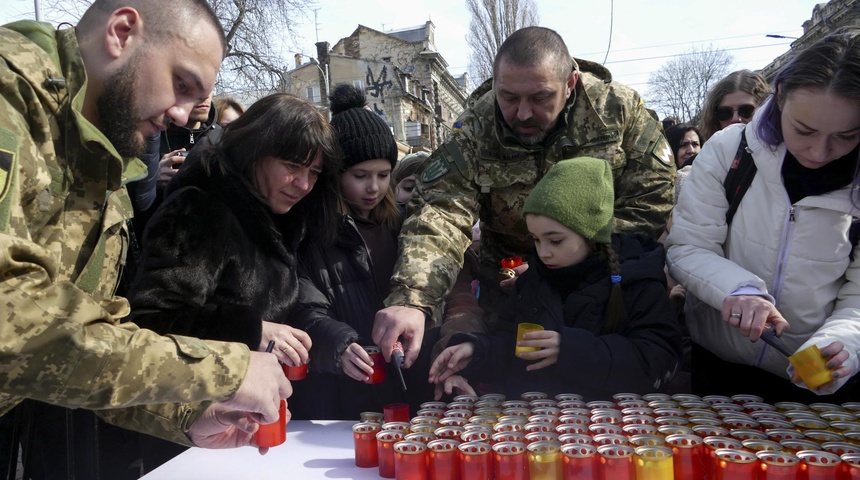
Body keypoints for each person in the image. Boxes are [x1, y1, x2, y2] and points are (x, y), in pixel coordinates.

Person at [0, 0, 290, 466]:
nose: (182, 115)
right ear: (121, 31)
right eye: (181, 84)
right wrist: (222, 369)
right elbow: (8, 313)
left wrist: (188, 414)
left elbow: (90, 345)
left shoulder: (105, 172)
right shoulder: (10, 95)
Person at [373, 26, 675, 368]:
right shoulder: (476, 126)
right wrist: (412, 299)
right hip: (511, 302)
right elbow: (439, 213)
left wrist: (577, 255)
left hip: (607, 299)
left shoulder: (617, 110)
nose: (523, 113)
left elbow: (653, 195)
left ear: (570, 83)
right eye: (509, 97)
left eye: (540, 97)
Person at [126, 92, 340, 471]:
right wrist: (250, 330)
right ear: (256, 152)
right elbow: (152, 321)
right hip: (193, 432)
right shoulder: (200, 208)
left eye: (314, 173)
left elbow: (280, 300)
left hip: (252, 425)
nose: (304, 183)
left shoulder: (276, 214)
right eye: (293, 166)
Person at [666, 30, 860, 403]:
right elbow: (687, 247)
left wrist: (842, 345)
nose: (819, 153)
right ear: (781, 96)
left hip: (812, 380)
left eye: (846, 136)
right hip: (720, 364)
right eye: (804, 130)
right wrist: (738, 290)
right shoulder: (731, 151)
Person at [429, 157, 681, 400]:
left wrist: (571, 350)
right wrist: (477, 351)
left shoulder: (637, 280)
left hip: (611, 427)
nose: (543, 252)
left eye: (555, 240)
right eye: (536, 239)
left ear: (591, 232)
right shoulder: (533, 281)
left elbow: (657, 362)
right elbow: (514, 347)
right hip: (538, 424)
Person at [289, 84, 436, 419]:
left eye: (384, 175)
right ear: (334, 175)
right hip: (339, 391)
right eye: (360, 175)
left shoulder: (401, 225)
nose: (374, 187)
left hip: (403, 381)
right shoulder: (311, 231)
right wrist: (338, 344)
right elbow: (302, 307)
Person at [700, 70, 770, 141]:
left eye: (746, 110)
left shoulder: (779, 150)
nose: (735, 119)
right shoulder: (709, 151)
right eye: (725, 113)